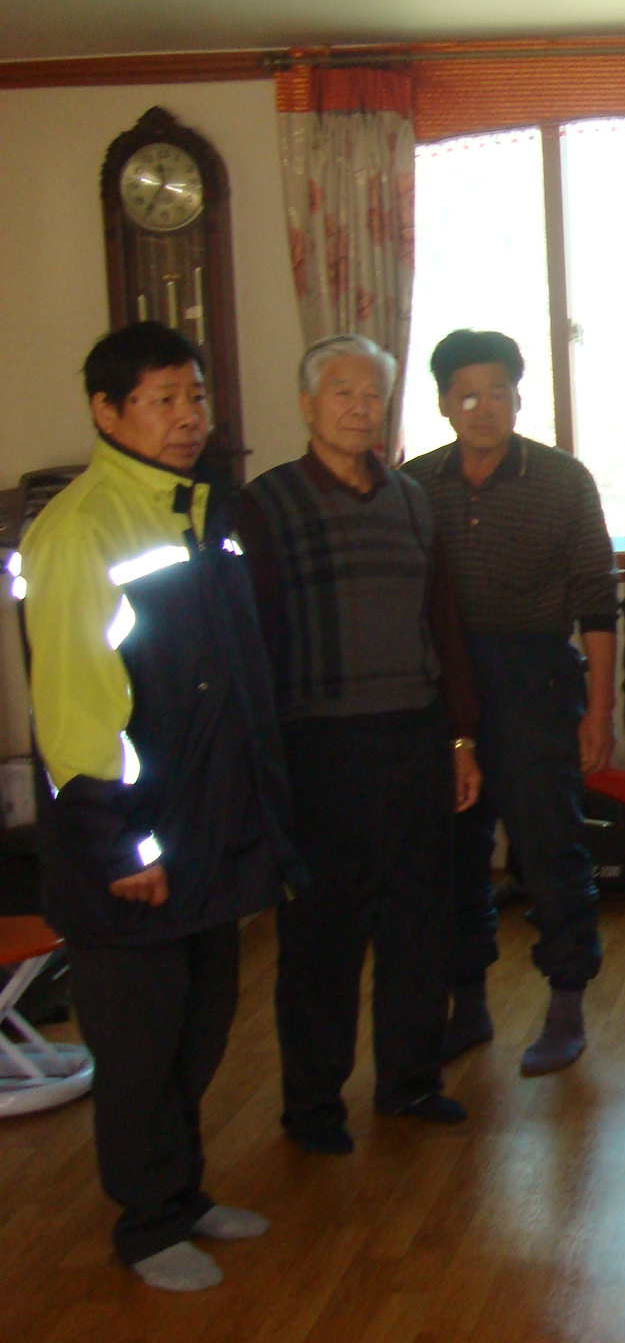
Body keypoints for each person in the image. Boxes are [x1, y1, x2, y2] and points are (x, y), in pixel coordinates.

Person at [19, 322, 299, 1291]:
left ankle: (181, 1193)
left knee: (199, 1027)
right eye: (164, 400)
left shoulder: (204, 509)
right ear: (108, 413)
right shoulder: (79, 531)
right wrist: (124, 849)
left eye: (196, 396)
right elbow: (76, 715)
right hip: (134, 848)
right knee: (139, 1048)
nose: (189, 417)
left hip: (207, 829)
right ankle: (145, 1225)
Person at [240, 335, 480, 1155]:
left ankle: (410, 1081)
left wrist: (460, 736)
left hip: (413, 731)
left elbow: (442, 622)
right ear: (307, 404)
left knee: (420, 918)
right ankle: (312, 1106)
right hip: (317, 744)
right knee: (322, 934)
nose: (358, 407)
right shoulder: (265, 504)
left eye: (372, 394)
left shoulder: (412, 499)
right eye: (341, 392)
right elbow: (252, 637)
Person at [409, 330, 615, 1077]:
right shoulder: (414, 483)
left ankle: (565, 1007)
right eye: (468, 396)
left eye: (498, 392)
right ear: (443, 403)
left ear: (518, 397)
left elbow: (597, 601)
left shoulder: (561, 479)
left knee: (550, 849)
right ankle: (468, 1004)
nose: (485, 408)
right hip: (442, 685)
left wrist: (599, 711)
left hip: (535, 679)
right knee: (453, 856)